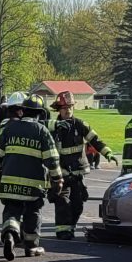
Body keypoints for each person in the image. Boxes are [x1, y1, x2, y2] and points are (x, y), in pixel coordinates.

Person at [0, 93, 60, 260]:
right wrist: (58, 180)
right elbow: (52, 159)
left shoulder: (10, 128)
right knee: (33, 212)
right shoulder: (41, 131)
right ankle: (31, 247)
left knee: (11, 210)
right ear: (39, 114)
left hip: (9, 183)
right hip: (34, 185)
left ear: (23, 111)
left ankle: (10, 233)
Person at [49, 91, 107, 240]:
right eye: (64, 108)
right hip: (60, 173)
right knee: (62, 202)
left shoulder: (80, 125)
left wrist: (107, 152)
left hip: (77, 173)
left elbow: (94, 139)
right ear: (58, 109)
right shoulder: (52, 127)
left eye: (69, 107)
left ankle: (70, 227)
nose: (67, 110)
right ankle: (62, 232)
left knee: (78, 204)